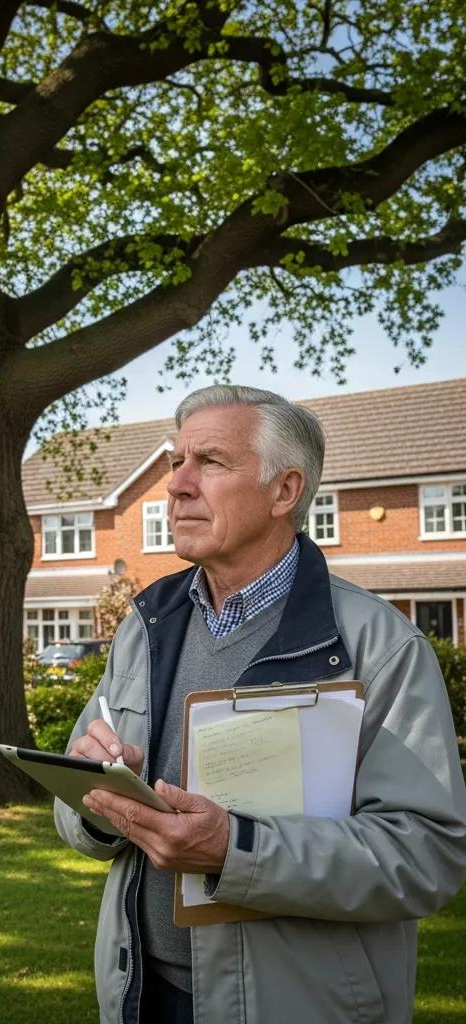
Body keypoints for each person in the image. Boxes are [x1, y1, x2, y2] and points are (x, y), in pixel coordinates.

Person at [55, 384, 466, 1024]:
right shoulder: (146, 625)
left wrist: (236, 850)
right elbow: (73, 795)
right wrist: (100, 804)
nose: (177, 486)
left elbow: (425, 857)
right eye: (176, 462)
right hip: (139, 998)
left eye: (210, 462)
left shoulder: (380, 646)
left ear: (285, 492)